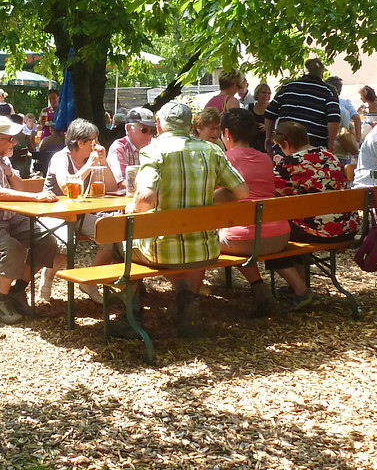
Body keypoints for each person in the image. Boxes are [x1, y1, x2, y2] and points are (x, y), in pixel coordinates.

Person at [127, 101, 249, 338]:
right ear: (189, 124)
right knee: (174, 243)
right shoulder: (212, 150)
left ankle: (130, 316)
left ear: (159, 123)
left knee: (120, 244)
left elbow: (146, 197)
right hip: (206, 249)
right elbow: (242, 192)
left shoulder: (154, 150)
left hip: (161, 251)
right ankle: (185, 298)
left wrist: (132, 209)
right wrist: (210, 199)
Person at [0, 116, 63, 325]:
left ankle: (17, 291)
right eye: (10, 139)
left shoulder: (2, 157)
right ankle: (1, 300)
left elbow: (19, 188)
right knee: (14, 249)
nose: (15, 142)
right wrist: (36, 197)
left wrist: (9, 172)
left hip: (7, 218)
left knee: (47, 242)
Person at [219, 110, 302, 317]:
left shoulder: (223, 160)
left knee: (213, 236)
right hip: (280, 235)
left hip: (244, 240)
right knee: (254, 230)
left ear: (226, 133)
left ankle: (260, 290)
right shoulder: (266, 159)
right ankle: (301, 289)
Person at [39, 118, 119, 301]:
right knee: (65, 245)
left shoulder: (90, 158)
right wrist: (90, 165)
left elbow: (112, 187)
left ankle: (89, 283)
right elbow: (67, 187)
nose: (97, 144)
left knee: (111, 237)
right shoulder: (60, 157)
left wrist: (103, 162)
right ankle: (48, 278)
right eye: (94, 140)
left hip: (79, 213)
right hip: (53, 213)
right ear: (81, 142)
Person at [273, 120, 361, 247]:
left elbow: (274, 191)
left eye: (281, 148)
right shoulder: (330, 155)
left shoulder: (289, 163)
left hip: (317, 230)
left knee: (273, 230)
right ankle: (298, 266)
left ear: (285, 144)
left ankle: (288, 267)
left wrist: (279, 165)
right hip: (348, 227)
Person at [264, 58, 341, 151]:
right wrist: (331, 143)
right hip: (314, 148)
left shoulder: (288, 87)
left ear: (304, 73)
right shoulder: (328, 92)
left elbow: (270, 113)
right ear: (322, 74)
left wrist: (268, 137)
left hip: (285, 146)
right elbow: (334, 118)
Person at [108, 107, 156, 193]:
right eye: (144, 130)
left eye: (152, 131)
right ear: (129, 128)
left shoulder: (155, 146)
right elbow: (122, 183)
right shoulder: (119, 148)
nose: (149, 135)